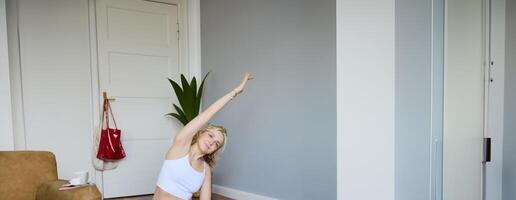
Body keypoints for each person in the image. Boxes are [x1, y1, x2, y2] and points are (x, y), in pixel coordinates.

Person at [153, 73, 253, 200]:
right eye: (211, 136)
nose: (212, 143)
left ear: (215, 150)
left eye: (217, 144)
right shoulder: (180, 147)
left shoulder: (205, 170)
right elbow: (207, 114)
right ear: (200, 133)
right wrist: (235, 92)